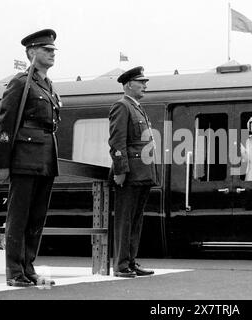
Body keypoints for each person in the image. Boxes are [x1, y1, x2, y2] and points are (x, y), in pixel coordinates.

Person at [0, 29, 61, 287]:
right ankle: (14, 271)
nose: (52, 54)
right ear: (32, 52)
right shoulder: (21, 83)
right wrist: (3, 164)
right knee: (19, 216)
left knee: (37, 216)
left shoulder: (47, 85)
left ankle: (28, 267)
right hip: (24, 157)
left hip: (45, 157)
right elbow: (5, 126)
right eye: (47, 50)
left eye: (53, 50)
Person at [109, 66, 157, 277]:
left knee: (135, 219)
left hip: (142, 172)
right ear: (129, 84)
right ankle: (121, 265)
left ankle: (130, 261)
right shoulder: (122, 106)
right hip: (129, 173)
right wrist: (120, 170)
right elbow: (117, 141)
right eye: (141, 82)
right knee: (125, 219)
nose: (145, 85)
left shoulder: (136, 107)